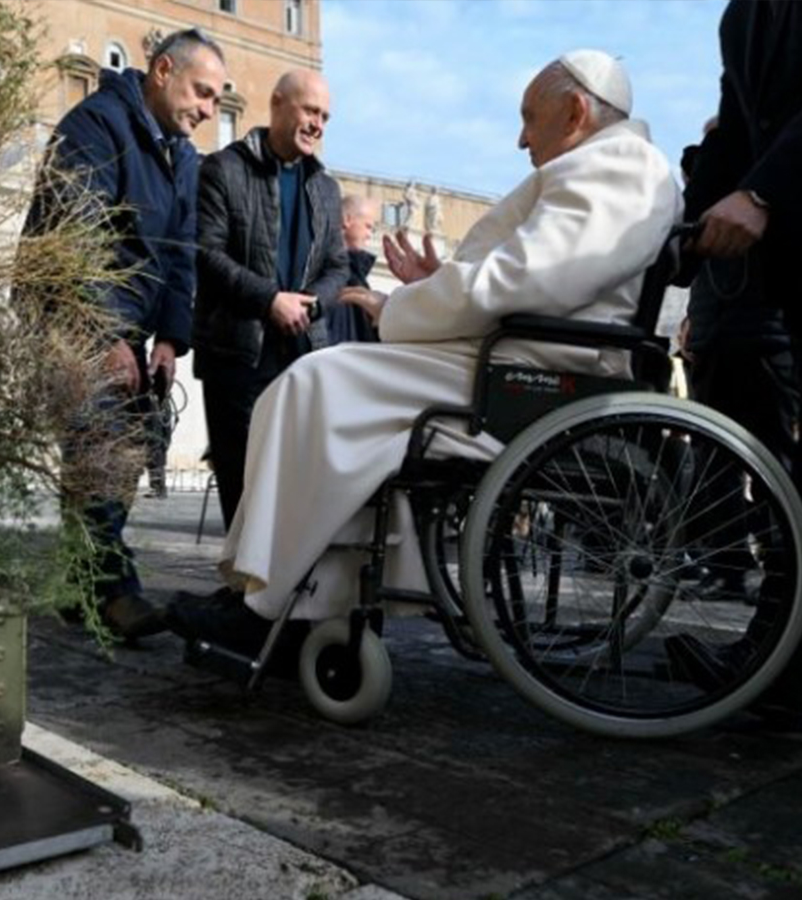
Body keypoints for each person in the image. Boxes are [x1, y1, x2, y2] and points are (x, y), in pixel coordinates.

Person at [167, 50, 682, 655]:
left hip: (529, 370)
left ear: (574, 112)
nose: (521, 139)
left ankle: (273, 605)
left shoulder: (619, 168)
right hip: (516, 356)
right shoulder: (610, 165)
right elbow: (529, 277)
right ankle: (302, 597)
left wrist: (403, 307)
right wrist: (440, 283)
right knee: (321, 385)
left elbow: (519, 282)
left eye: (528, 118)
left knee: (316, 383)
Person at [23, 29, 226, 639]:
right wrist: (105, 332)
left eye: (217, 99)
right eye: (202, 92)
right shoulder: (95, 127)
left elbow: (180, 252)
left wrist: (169, 338)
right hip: (73, 318)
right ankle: (114, 592)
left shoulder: (182, 155)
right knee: (101, 449)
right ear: (162, 71)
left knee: (122, 456)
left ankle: (78, 586)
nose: (209, 110)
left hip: (130, 323)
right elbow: (76, 237)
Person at [665, 0, 802, 721]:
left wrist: (762, 194)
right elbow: (740, 133)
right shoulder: (741, 17)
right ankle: (779, 660)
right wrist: (685, 232)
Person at [192, 70, 349, 531]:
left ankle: (286, 576)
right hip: (237, 355)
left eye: (325, 117)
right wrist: (269, 300)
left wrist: (310, 304)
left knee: (297, 489)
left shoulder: (326, 188)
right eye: (310, 110)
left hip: (304, 357)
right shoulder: (223, 168)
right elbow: (206, 253)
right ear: (277, 103)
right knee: (243, 487)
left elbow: (337, 267)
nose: (317, 124)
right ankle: (242, 574)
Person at [327, 195, 380, 346]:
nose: (369, 235)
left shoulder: (357, 275)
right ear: (347, 220)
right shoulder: (325, 269)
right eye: (368, 226)